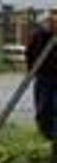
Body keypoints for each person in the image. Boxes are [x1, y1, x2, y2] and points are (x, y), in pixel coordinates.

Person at [25, 9, 57, 140]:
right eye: (50, 22)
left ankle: (54, 134)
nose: (51, 24)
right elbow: (29, 53)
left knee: (55, 105)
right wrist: (31, 71)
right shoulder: (37, 36)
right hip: (43, 76)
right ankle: (45, 133)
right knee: (43, 106)